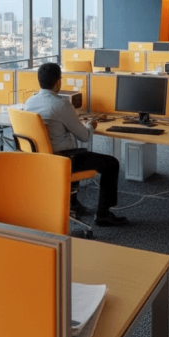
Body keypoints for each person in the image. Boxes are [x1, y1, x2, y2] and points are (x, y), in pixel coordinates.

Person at [24, 63, 127, 226]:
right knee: (111, 163)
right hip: (64, 160)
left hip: (41, 158)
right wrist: (91, 125)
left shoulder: (29, 102)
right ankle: (103, 214)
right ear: (58, 82)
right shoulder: (61, 104)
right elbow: (84, 136)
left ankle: (73, 205)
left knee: (77, 150)